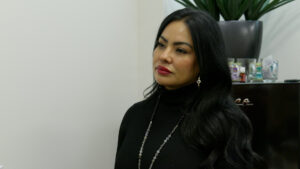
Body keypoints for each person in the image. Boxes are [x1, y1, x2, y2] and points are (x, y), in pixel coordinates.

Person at [114, 8, 266, 169]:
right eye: (161, 44)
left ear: (204, 60)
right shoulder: (134, 116)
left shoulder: (224, 124)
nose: (164, 56)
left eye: (180, 50)